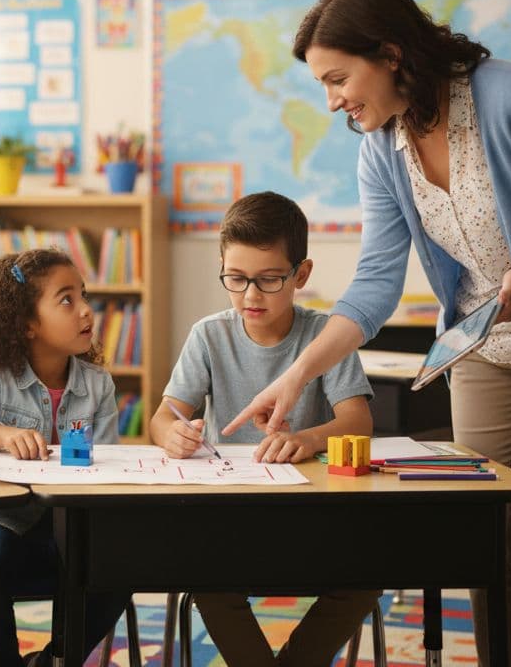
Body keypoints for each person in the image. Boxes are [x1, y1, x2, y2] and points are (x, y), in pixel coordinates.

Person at [225, 0, 511, 666]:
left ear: (390, 54)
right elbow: (374, 287)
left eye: (338, 79)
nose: (331, 100)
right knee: (480, 536)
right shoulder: (381, 150)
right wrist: (297, 373)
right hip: (478, 342)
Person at [150, 191, 378, 666]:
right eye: (235, 278)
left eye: (269, 279)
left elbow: (359, 420)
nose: (250, 295)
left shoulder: (324, 336)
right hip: (231, 520)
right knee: (205, 578)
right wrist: (172, 434)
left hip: (316, 518)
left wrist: (307, 439)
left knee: (370, 575)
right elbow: (162, 416)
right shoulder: (209, 335)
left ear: (302, 274)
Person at [0, 249, 130, 667]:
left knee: (119, 568)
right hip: (10, 525)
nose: (85, 311)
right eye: (66, 299)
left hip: (75, 526)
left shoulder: (98, 385)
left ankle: (55, 659)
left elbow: (112, 462)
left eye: (83, 295)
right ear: (27, 325)